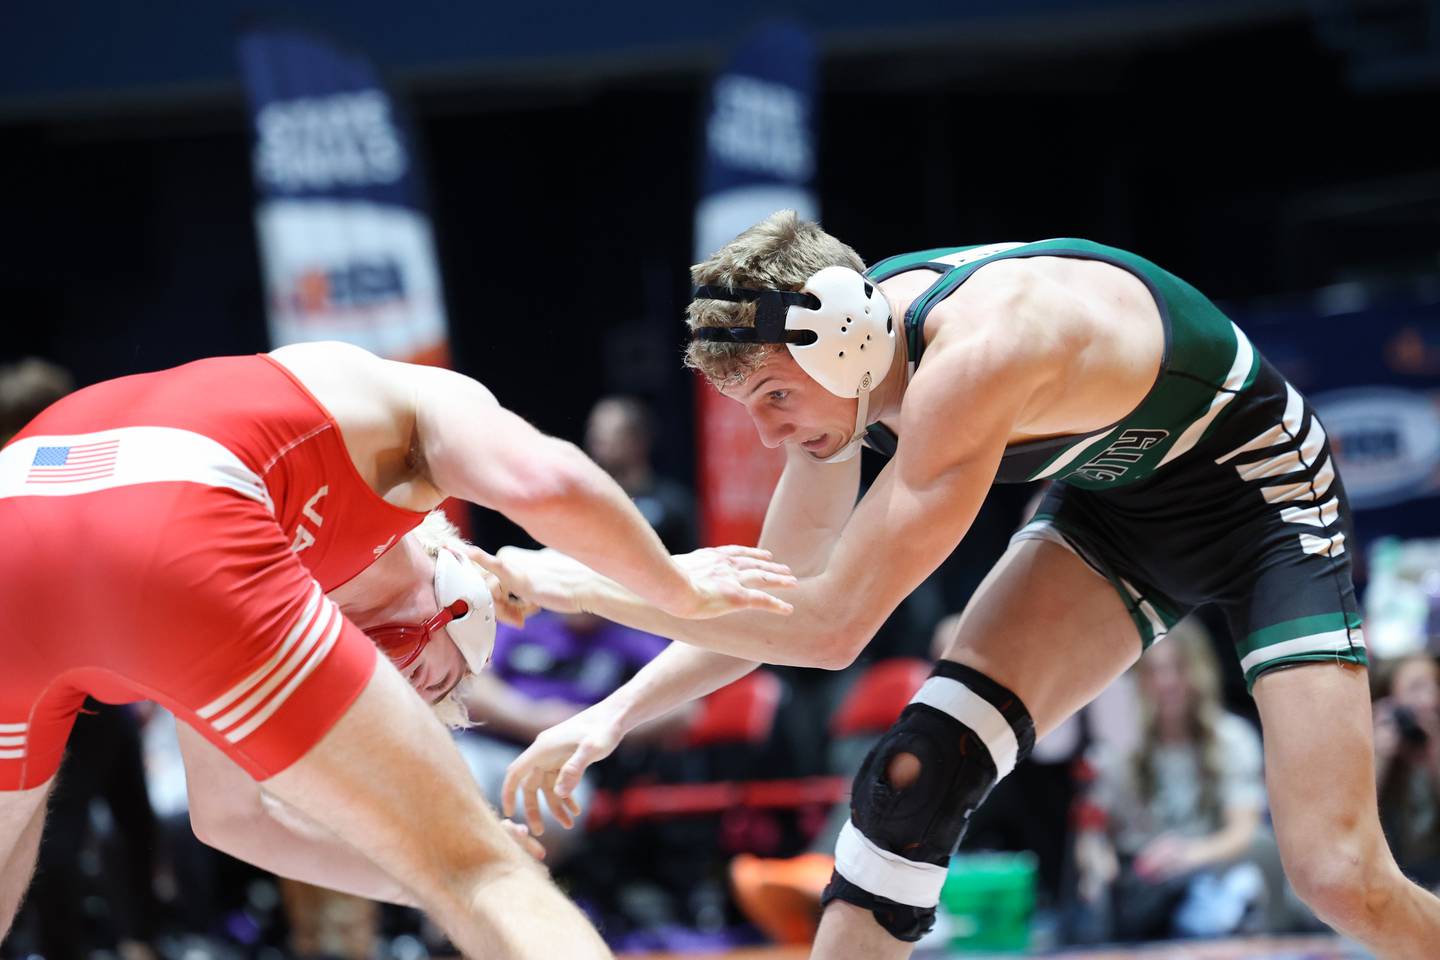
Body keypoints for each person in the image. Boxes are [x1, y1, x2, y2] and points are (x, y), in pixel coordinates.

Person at [496, 211, 1440, 960]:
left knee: (1335, 874)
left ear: (837, 341)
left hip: (1257, 494)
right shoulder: (851, 359)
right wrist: (607, 715)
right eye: (751, 411)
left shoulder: (974, 358)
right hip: (1118, 501)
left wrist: (580, 583)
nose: (771, 436)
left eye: (774, 399)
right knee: (916, 776)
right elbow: (773, 601)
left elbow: (832, 631)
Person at [0, 341, 795, 960]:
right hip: (177, 502)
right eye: (440, 673)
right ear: (456, 586)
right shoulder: (409, 411)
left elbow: (231, 818)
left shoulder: (289, 556)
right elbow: (545, 483)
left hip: (19, 504)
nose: (408, 683)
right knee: (491, 871)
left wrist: (426, 878)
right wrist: (676, 588)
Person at [1073, 617, 1269, 940]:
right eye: (1153, 671)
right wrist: (1097, 863)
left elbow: (1243, 832)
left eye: (1178, 667)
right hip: (1140, 891)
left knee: (1248, 873)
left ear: (1200, 671)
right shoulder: (1116, 749)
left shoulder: (1233, 740)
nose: (1166, 682)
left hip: (1210, 878)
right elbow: (1091, 831)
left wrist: (1187, 855)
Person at [1373, 653, 1440, 887]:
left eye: (1435, 686)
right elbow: (1350, 822)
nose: (1430, 699)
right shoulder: (1366, 738)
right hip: (1387, 876)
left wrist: (1435, 756)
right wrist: (1379, 756)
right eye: (1417, 687)